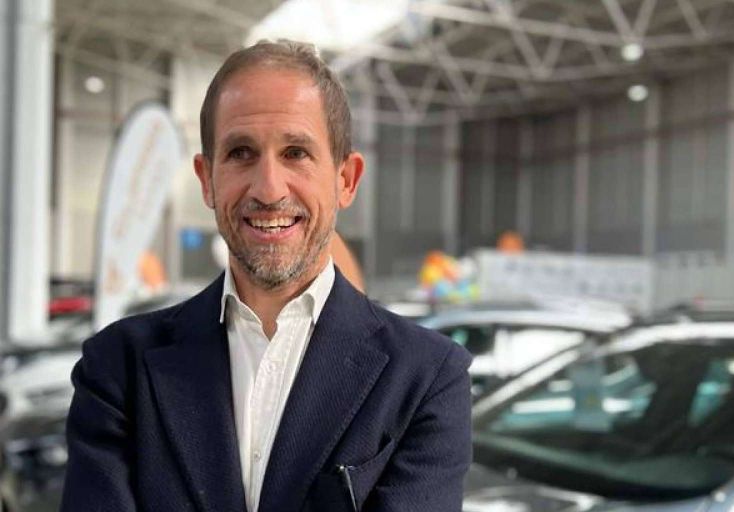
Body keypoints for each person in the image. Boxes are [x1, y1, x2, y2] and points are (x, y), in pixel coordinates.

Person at [61, 40, 472, 512]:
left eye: (296, 152)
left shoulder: (426, 378)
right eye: (241, 152)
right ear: (207, 180)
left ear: (346, 180)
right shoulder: (117, 368)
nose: (269, 189)